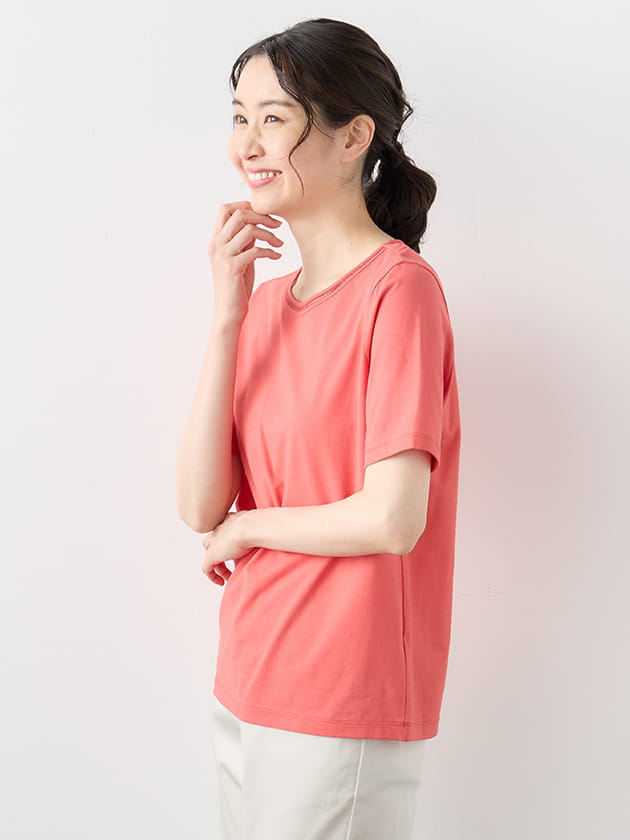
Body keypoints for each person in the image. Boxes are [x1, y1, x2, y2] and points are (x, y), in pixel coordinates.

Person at [175, 17, 461, 840]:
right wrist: (227, 315)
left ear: (353, 137)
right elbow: (199, 506)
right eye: (240, 116)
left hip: (343, 692)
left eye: (274, 117)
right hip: (248, 673)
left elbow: (393, 517)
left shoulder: (399, 291)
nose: (248, 144)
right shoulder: (265, 306)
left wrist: (249, 529)